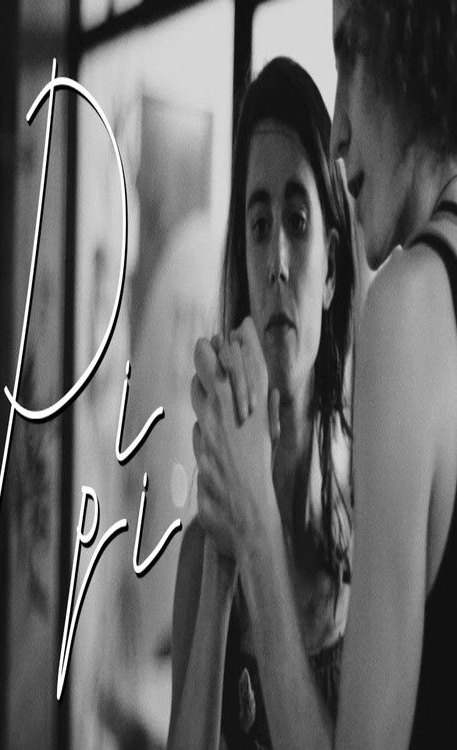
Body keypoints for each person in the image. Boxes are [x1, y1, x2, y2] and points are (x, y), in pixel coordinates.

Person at [190, 1, 457, 748]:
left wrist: (255, 522)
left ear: (408, 37)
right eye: (257, 225)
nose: (339, 132)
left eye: (350, 52)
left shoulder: (410, 305)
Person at [168, 57, 355, 749]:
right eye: (258, 224)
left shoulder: (368, 531)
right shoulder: (201, 550)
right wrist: (223, 562)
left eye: (297, 222)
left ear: (331, 269)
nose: (276, 258)